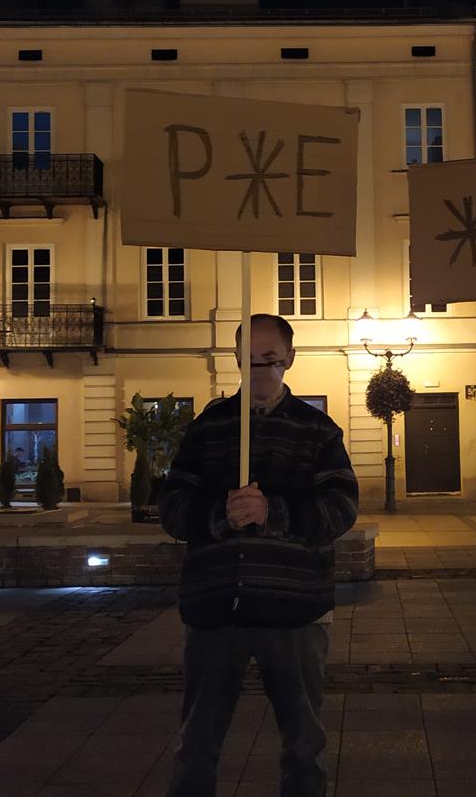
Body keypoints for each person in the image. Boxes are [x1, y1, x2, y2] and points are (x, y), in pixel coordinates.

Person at [158, 314, 358, 797]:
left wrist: (274, 513)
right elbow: (173, 508)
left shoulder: (317, 430)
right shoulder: (208, 428)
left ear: (290, 358)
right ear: (235, 360)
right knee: (197, 741)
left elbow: (342, 507)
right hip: (216, 607)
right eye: (249, 360)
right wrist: (220, 514)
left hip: (293, 609)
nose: (261, 371)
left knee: (304, 742)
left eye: (270, 359)